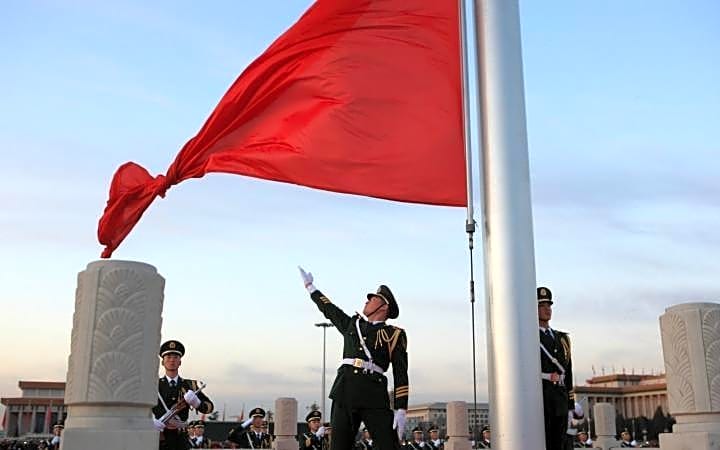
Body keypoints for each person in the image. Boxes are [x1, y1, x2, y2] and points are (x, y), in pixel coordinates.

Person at [299, 267, 408, 450]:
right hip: (345, 390)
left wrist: (401, 408)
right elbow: (329, 310)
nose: (367, 300)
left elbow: (400, 372)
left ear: (384, 307)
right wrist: (311, 287)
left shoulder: (394, 334)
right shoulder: (353, 324)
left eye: (372, 298)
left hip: (373, 393)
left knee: (388, 445)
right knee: (339, 446)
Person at [152, 340, 214, 450]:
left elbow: (209, 408)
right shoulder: (153, 385)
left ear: (180, 362)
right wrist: (151, 421)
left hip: (180, 437)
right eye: (168, 357)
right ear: (162, 362)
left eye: (176, 357)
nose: (172, 360)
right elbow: (143, 408)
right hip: (160, 436)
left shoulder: (190, 385)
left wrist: (197, 403)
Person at [537, 287, 575, 450]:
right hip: (541, 397)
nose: (547, 309)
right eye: (542, 305)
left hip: (560, 399)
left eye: (549, 305)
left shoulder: (562, 338)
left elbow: (568, 372)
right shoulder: (529, 335)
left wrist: (570, 403)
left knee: (560, 442)